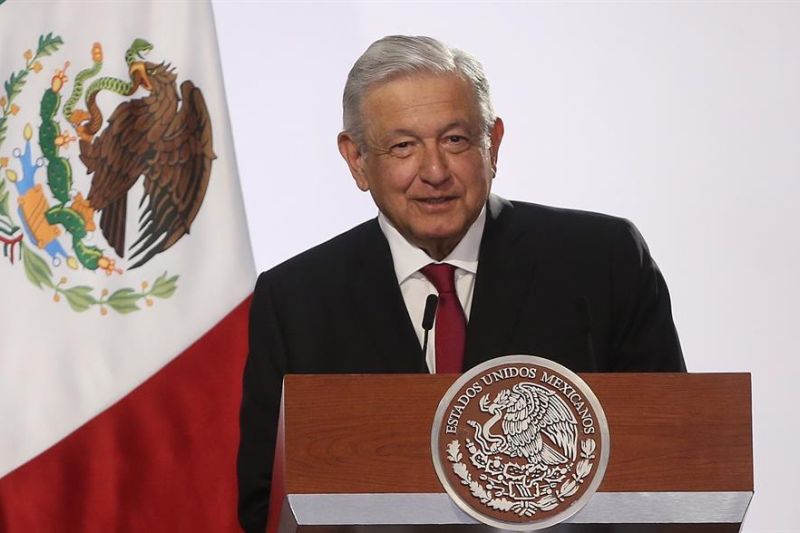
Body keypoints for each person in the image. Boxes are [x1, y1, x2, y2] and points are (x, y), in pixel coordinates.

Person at [237, 35, 685, 533]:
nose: (434, 172)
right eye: (403, 146)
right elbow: (265, 504)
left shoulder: (602, 259)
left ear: (492, 143)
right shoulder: (297, 299)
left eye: (455, 140)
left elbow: (676, 462)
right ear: (357, 160)